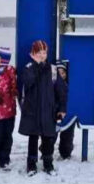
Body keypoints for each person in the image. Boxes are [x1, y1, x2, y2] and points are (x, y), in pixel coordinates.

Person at [18, 40, 63, 176]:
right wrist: (37, 66)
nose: (42, 55)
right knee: (33, 139)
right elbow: (28, 82)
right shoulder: (29, 68)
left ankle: (48, 164)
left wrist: (61, 109)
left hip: (48, 111)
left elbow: (61, 91)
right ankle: (31, 164)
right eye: (39, 53)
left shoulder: (53, 70)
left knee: (48, 139)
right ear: (33, 54)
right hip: (33, 111)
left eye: (44, 53)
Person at [54, 60, 75, 159]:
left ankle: (66, 152)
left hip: (67, 112)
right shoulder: (52, 84)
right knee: (51, 134)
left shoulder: (70, 85)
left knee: (67, 134)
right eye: (58, 73)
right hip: (55, 113)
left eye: (63, 73)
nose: (61, 75)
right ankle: (46, 151)